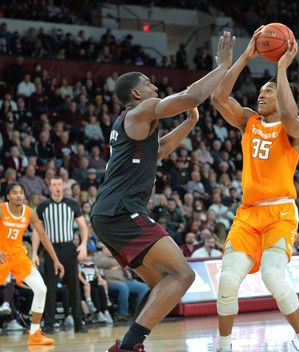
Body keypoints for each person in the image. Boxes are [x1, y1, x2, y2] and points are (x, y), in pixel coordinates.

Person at [90, 31, 235, 352]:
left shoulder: (129, 125)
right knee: (183, 275)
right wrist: (223, 66)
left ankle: (128, 343)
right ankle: (128, 346)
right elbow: (190, 96)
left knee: (162, 285)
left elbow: (162, 147)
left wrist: (189, 123)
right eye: (148, 82)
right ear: (137, 93)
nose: (154, 85)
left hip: (107, 215)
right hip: (121, 211)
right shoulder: (143, 109)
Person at [210, 27, 299, 352]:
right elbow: (218, 99)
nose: (261, 95)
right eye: (261, 90)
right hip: (248, 215)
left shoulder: (295, 128)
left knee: (273, 275)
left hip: (281, 213)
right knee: (227, 281)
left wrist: (281, 69)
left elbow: (287, 112)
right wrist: (245, 56)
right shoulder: (248, 120)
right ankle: (225, 346)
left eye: (269, 91)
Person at [0, 182, 64, 345]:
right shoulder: (2, 209)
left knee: (41, 289)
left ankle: (34, 333)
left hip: (19, 257)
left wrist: (56, 260)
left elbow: (43, 236)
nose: (19, 195)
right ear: (8, 196)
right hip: (1, 256)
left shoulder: (30, 213)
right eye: (15, 193)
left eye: (21, 192)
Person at [33, 176, 89, 334]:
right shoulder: (43, 206)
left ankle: (79, 322)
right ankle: (49, 324)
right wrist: (35, 254)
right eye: (54, 185)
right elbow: (38, 232)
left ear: (63, 186)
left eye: (59, 184)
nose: (57, 187)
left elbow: (83, 227)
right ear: (49, 188)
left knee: (74, 287)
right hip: (50, 251)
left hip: (69, 248)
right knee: (49, 288)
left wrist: (83, 245)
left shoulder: (72, 204)